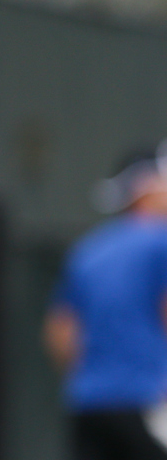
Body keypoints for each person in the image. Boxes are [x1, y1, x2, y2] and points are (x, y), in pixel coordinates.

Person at [44, 143, 167, 460]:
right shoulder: (160, 242)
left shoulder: (88, 250)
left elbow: (60, 330)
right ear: (148, 186)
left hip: (88, 405)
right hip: (148, 403)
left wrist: (93, 376)